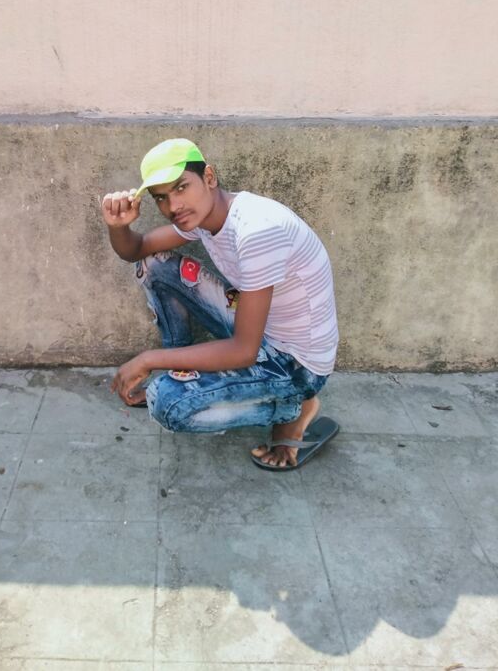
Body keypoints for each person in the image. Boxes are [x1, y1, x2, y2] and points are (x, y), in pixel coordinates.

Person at [101, 138, 339, 470]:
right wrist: (119, 227)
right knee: (154, 265)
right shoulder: (206, 217)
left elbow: (243, 350)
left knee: (166, 403)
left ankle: (294, 407)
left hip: (297, 363)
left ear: (209, 178)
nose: (174, 206)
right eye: (162, 197)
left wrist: (148, 359)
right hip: (261, 330)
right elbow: (137, 249)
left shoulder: (257, 231)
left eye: (181, 187)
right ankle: (182, 372)